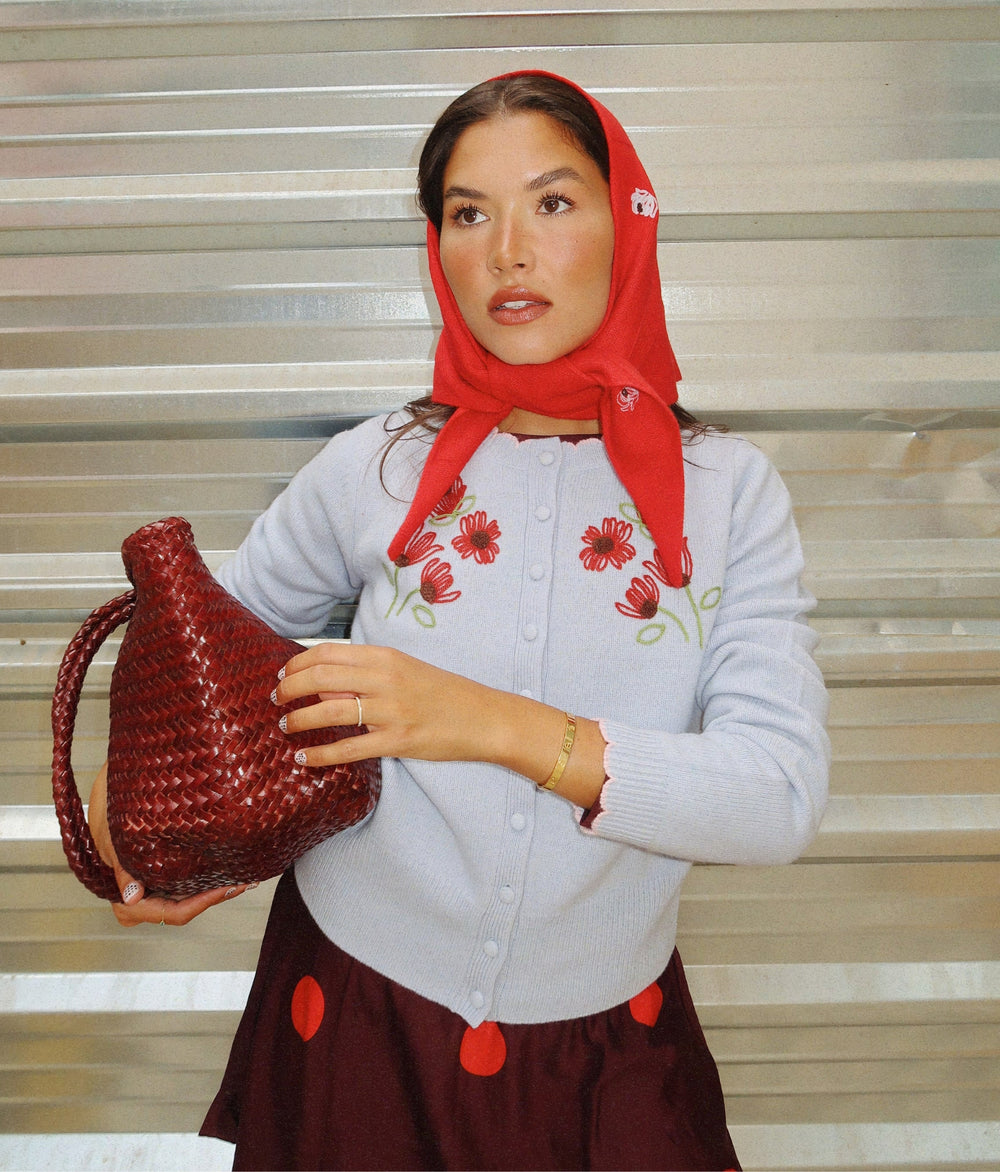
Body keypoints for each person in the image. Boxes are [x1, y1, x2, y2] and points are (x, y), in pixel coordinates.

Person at [89, 70, 830, 1171]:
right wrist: (154, 836)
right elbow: (200, 671)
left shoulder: (727, 494)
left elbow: (775, 797)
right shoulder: (373, 468)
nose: (506, 251)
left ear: (628, 225)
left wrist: (480, 720)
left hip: (602, 1051)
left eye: (553, 202)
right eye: (467, 213)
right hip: (349, 1018)